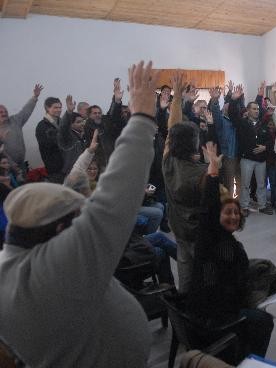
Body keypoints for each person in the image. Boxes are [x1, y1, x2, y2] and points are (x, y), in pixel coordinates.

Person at [0, 60, 160, 368]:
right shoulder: (56, 267)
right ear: (61, 229)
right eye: (77, 220)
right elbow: (115, 199)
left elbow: (75, 178)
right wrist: (142, 117)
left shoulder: (14, 262)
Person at [187, 141, 274, 359]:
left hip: (211, 308)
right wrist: (213, 173)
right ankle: (250, 361)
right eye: (227, 212)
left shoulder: (227, 243)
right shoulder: (210, 237)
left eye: (236, 213)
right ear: (217, 216)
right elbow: (208, 209)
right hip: (213, 320)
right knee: (265, 321)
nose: (233, 216)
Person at [162, 73, 208, 293]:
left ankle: (184, 310)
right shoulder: (202, 172)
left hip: (178, 227)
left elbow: (172, 129)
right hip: (199, 232)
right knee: (206, 275)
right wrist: (214, 167)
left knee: (185, 273)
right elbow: (222, 201)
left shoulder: (168, 162)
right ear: (194, 144)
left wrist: (177, 98)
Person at [228, 83, 272, 216]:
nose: (257, 111)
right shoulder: (242, 123)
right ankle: (244, 206)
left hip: (261, 160)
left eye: (258, 109)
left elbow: (270, 140)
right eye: (254, 109)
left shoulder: (263, 124)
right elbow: (232, 113)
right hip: (247, 159)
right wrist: (233, 99)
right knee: (245, 185)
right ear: (248, 111)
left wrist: (265, 147)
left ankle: (262, 205)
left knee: (261, 184)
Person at [0, 84, 42, 169]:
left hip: (21, 164)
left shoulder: (15, 120)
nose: (4, 113)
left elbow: (26, 111)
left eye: (5, 111)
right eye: (1, 112)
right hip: (4, 168)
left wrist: (34, 98)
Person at [35, 96, 65, 183]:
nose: (59, 110)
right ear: (47, 108)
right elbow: (47, 145)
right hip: (55, 169)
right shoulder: (42, 126)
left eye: (60, 107)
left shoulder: (63, 123)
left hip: (68, 166)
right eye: (55, 107)